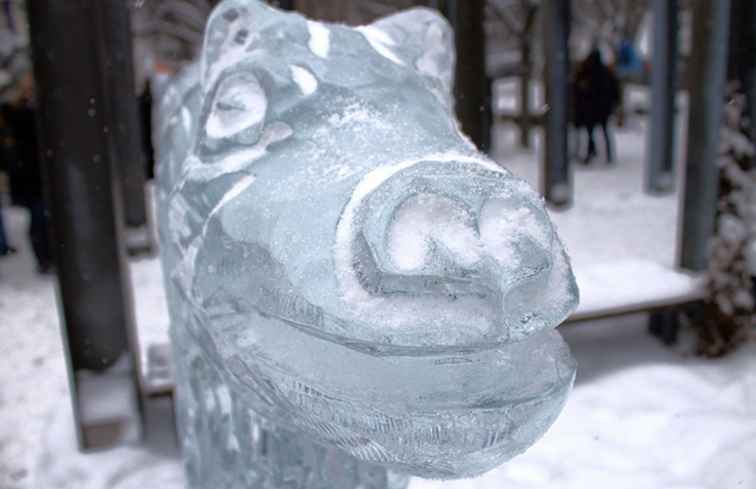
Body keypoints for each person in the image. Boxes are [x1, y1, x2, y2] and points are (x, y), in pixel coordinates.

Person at [1, 73, 51, 273]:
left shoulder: (22, 115)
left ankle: (46, 258)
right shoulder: (16, 115)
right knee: (39, 218)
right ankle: (45, 258)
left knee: (40, 218)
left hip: (31, 175)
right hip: (30, 176)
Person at [573, 48, 621, 164]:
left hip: (589, 109)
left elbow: (576, 89)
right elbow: (614, 91)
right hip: (602, 109)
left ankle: (591, 153)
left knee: (590, 132)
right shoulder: (605, 73)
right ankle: (607, 155)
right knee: (603, 132)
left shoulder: (585, 72)